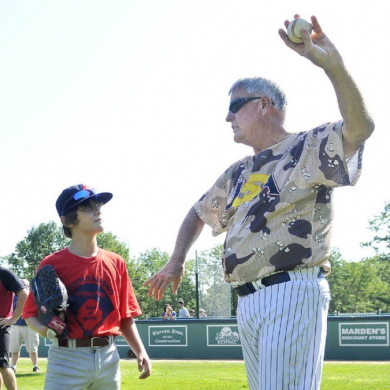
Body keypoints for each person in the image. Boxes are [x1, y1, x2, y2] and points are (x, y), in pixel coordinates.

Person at [144, 15, 374, 390]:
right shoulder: (238, 171)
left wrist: (333, 68)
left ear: (265, 105)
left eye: (236, 105)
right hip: (248, 300)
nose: (227, 116)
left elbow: (360, 129)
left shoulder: (306, 146)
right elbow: (198, 212)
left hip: (291, 289)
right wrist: (176, 260)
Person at [23, 184, 151, 389]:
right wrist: (46, 331)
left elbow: (125, 316)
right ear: (66, 220)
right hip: (66, 358)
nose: (98, 210)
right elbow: (30, 313)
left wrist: (140, 351)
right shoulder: (52, 264)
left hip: (108, 357)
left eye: (98, 205)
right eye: (87, 208)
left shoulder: (116, 262)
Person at [0, 267, 28, 390]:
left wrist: (14, 318)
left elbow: (24, 293)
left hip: (1, 325)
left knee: (3, 365)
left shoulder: (4, 273)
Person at [10, 279, 40, 373]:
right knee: (14, 349)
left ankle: (35, 366)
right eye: (21, 283)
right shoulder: (13, 296)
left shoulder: (34, 296)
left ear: (29, 286)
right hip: (16, 326)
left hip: (30, 325)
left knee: (33, 349)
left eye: (25, 284)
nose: (23, 285)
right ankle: (13, 366)